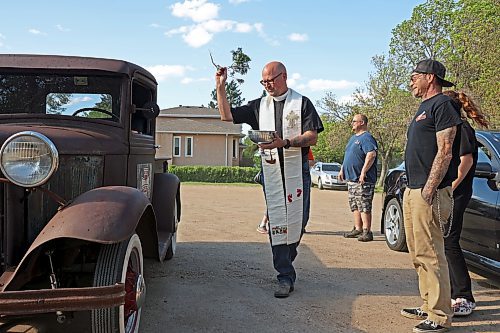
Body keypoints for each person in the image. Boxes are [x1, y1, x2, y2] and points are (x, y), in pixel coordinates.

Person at [215, 61, 323, 298]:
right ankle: (284, 274)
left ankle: (286, 257)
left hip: (297, 170)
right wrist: (221, 86)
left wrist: (284, 142)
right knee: (277, 222)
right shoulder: (259, 106)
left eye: (271, 80)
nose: (267, 85)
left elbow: (312, 137)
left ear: (284, 76)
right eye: (263, 81)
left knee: (299, 220)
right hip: (271, 170)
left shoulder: (302, 103)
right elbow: (226, 116)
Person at [400, 59, 462, 333]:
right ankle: (428, 306)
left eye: (415, 76)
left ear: (431, 77)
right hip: (413, 190)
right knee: (417, 253)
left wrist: (429, 189)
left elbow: (446, 150)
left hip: (430, 192)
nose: (411, 81)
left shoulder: (443, 106)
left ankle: (439, 315)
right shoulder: (422, 108)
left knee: (432, 254)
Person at [443, 90, 489, 317]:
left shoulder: (462, 129)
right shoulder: (453, 129)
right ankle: (451, 293)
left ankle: (464, 296)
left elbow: (466, 160)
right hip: (449, 194)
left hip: (456, 195)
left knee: (450, 242)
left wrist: (450, 188)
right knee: (444, 243)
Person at [257, 148, 315, 234]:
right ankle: (264, 224)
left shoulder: (302, 148)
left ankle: (296, 226)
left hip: (292, 176)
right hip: (285, 175)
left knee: (283, 201)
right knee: (278, 201)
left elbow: (311, 161)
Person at [338, 114, 378, 242]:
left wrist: (363, 172)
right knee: (354, 205)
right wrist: (342, 169)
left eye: (355, 121)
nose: (352, 123)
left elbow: (371, 154)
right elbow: (348, 155)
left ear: (362, 122)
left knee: (364, 205)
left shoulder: (367, 138)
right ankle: (357, 228)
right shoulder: (352, 139)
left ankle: (367, 231)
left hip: (363, 180)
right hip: (351, 179)